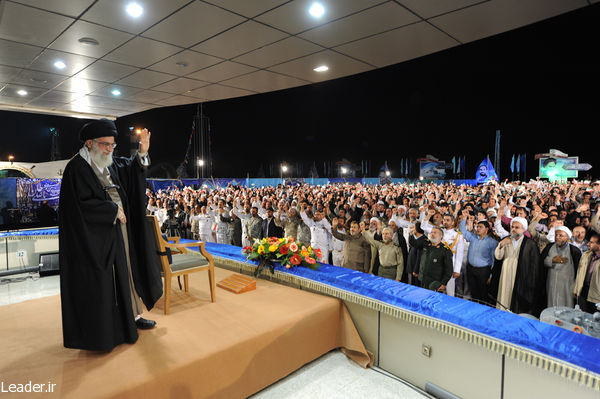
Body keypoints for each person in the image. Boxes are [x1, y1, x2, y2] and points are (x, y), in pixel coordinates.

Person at [59, 120, 162, 351]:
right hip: (95, 237)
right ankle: (106, 329)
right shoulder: (77, 168)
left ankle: (133, 317)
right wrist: (112, 210)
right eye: (105, 145)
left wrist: (142, 152)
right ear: (89, 143)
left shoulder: (109, 163)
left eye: (112, 145)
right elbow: (79, 206)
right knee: (103, 282)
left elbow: (131, 170)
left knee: (126, 271)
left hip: (119, 229)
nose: (109, 149)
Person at [491, 217, 541, 315]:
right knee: (504, 298)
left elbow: (534, 267)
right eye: (512, 227)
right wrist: (501, 245)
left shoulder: (530, 244)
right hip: (505, 275)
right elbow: (498, 256)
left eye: (517, 227)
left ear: (523, 229)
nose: (513, 229)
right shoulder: (506, 240)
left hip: (520, 278)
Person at [458, 217, 498, 304]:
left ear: (487, 229)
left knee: (483, 293)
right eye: (477, 227)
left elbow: (493, 260)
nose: (478, 229)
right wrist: (464, 218)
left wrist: (491, 275)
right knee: (473, 292)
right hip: (471, 269)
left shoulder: (492, 242)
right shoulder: (473, 237)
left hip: (483, 271)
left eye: (481, 227)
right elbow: (462, 230)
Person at [541, 226, 581, 308]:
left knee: (566, 306)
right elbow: (541, 261)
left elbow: (579, 271)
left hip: (567, 284)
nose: (557, 237)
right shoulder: (549, 247)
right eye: (556, 235)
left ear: (567, 238)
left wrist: (576, 288)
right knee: (551, 304)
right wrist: (552, 260)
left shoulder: (574, 251)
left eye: (561, 235)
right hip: (551, 282)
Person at [416, 227, 453, 292]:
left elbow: (449, 270)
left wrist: (444, 283)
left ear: (441, 236)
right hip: (424, 281)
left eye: (435, 232)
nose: (432, 234)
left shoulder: (445, 250)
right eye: (431, 232)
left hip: (435, 283)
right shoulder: (427, 246)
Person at [573, 232, 600, 313]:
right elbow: (579, 273)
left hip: (596, 295)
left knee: (595, 320)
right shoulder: (585, 255)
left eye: (591, 242)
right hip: (583, 291)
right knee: (581, 316)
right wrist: (576, 289)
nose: (588, 244)